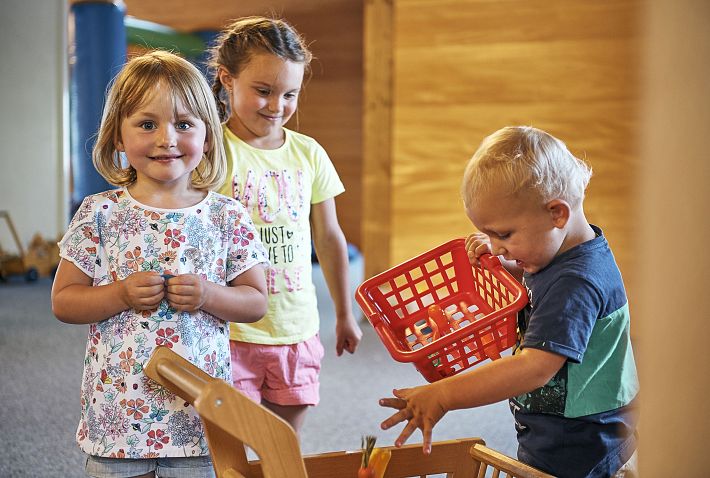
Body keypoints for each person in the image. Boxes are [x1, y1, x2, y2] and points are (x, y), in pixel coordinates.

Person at [51, 50, 269, 478]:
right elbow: (64, 302)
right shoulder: (99, 213)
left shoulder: (227, 215)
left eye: (184, 124)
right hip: (118, 419)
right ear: (118, 136)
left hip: (200, 419)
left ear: (207, 137)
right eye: (147, 124)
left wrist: (209, 294)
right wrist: (119, 294)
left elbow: (255, 301)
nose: (166, 138)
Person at [379, 126, 639, 477]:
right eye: (489, 234)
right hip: (555, 426)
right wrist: (507, 264)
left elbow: (534, 367)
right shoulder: (555, 253)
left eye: (504, 234)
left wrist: (442, 395)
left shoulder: (576, 281)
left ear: (557, 214)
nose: (496, 245)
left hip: (579, 442)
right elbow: (540, 290)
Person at [207, 16, 362, 434]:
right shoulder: (210, 152)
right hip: (230, 329)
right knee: (231, 442)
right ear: (226, 79)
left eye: (290, 94)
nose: (277, 107)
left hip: (295, 328)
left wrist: (345, 314)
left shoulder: (309, 153)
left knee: (283, 444)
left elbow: (329, 238)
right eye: (263, 91)